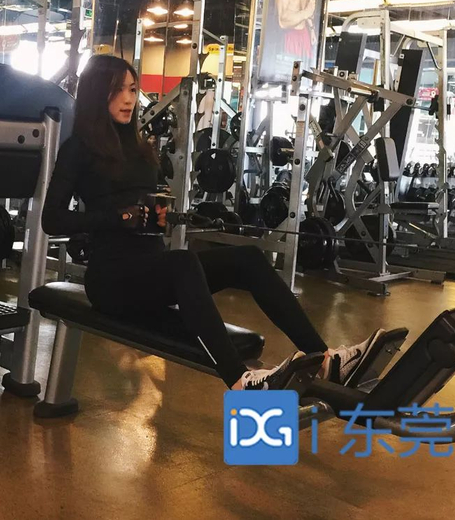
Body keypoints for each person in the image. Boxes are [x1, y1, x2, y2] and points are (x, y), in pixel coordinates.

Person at [42, 55, 386, 390]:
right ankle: (240, 381)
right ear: (97, 94)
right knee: (183, 262)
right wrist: (115, 218)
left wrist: (157, 218)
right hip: (111, 280)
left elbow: (143, 211)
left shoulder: (139, 147)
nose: (129, 98)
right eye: (118, 90)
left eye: (132, 89)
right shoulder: (78, 149)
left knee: (248, 258)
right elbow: (52, 219)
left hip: (150, 271)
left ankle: (325, 360)